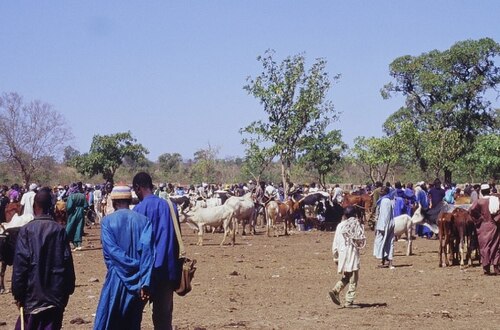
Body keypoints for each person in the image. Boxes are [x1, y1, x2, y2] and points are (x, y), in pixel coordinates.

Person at [12, 187, 75, 330]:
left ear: (34, 207)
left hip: (32, 298)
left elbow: (20, 266)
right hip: (55, 298)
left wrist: (18, 294)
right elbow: (67, 264)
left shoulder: (26, 231)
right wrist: (67, 291)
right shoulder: (60, 231)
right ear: (51, 207)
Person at [94, 185, 153, 329]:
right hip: (138, 279)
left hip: (116, 277)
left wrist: (127, 265)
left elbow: (112, 251)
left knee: (110, 320)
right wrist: (145, 281)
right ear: (130, 201)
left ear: (114, 203)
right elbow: (148, 254)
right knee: (132, 322)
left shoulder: (107, 222)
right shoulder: (144, 221)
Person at [133, 172, 180, 330]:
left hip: (145, 273)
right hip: (168, 270)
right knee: (164, 318)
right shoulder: (171, 207)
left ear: (138, 188)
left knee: (134, 313)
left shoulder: (138, 210)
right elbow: (176, 239)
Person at [329, 206, 366, 308]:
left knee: (347, 275)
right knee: (353, 278)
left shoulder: (340, 226)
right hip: (352, 254)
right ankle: (349, 301)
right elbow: (359, 240)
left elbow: (335, 243)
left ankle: (336, 290)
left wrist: (335, 256)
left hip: (342, 254)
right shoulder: (356, 226)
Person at [469, 183, 500, 275]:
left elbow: (471, 211)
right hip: (494, 225)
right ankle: (496, 266)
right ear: (489, 190)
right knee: (496, 246)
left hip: (482, 227)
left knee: (484, 247)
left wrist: (479, 219)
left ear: (481, 191)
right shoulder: (495, 200)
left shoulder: (479, 202)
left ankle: (486, 268)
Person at [373, 186, 395, 268]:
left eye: (382, 190)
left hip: (385, 225)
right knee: (385, 242)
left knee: (387, 242)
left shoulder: (385, 201)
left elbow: (385, 216)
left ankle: (390, 262)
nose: (381, 191)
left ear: (386, 192)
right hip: (386, 225)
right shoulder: (385, 200)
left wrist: (381, 227)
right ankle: (384, 261)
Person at [65, 183, 88, 251]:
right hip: (81, 212)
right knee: (79, 227)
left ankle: (67, 241)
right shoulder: (82, 195)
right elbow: (86, 205)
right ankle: (78, 244)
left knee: (70, 227)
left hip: (73, 213)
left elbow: (69, 207)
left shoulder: (71, 196)